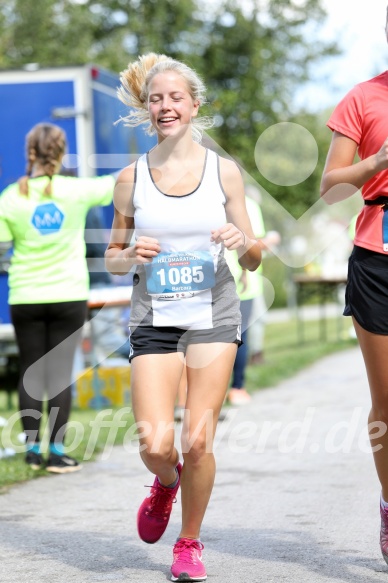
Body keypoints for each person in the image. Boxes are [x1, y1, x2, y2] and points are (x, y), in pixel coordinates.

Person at [105, 53, 261, 581]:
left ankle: (189, 543)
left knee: (198, 440)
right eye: (156, 99)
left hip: (213, 313)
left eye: (176, 97)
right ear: (146, 109)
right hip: (154, 317)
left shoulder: (225, 173)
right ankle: (165, 482)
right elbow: (112, 256)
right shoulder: (129, 179)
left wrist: (244, 242)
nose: (166, 106)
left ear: (195, 105)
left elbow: (254, 254)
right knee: (155, 443)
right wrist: (132, 256)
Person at [0, 123, 114, 473]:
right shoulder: (77, 191)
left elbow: (2, 250)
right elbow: (125, 179)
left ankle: (33, 450)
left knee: (31, 372)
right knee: (60, 374)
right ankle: (57, 452)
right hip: (68, 294)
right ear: (62, 153)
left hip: (25, 295)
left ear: (29, 152)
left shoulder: (10, 196)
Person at [320, 5, 388, 565]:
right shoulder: (363, 98)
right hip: (377, 259)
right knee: (387, 399)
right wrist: (375, 163)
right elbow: (330, 189)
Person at [226, 191, 266, 405]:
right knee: (240, 338)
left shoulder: (206, 200)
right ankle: (237, 387)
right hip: (243, 282)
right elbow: (254, 242)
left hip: (221, 280)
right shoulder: (249, 204)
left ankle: (226, 389)